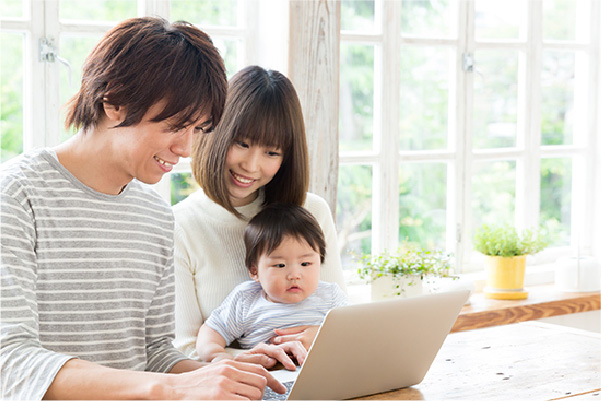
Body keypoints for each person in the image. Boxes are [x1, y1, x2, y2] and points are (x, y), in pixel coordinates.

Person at [0, 17, 290, 400]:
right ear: (115, 102)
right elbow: (11, 363)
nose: (186, 149)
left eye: (198, 130)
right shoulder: (17, 195)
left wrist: (219, 374)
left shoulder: (155, 215)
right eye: (175, 125)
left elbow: (154, 353)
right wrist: (173, 387)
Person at [173, 65, 347, 364]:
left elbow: (344, 322)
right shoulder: (179, 225)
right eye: (241, 143)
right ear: (213, 132)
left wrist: (322, 338)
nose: (251, 166)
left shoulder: (312, 211)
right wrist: (255, 359)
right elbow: (184, 350)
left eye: (272, 152)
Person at [196, 204, 348, 364]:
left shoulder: (330, 295)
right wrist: (218, 357)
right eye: (280, 265)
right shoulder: (246, 300)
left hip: (323, 373)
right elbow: (211, 332)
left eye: (305, 264)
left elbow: (356, 332)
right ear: (255, 271)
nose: (295, 275)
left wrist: (327, 335)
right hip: (266, 377)